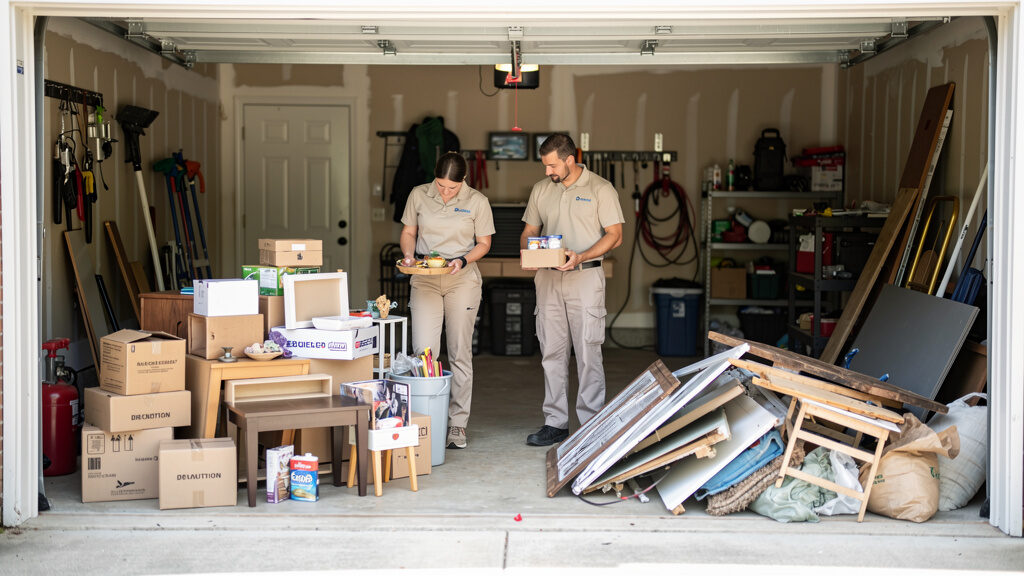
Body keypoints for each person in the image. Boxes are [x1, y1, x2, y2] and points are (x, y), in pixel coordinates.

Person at [521, 133, 624, 447]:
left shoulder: (600, 189)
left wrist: (581, 255)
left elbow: (615, 235)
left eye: (552, 165)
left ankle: (591, 424)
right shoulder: (541, 189)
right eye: (545, 166)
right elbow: (529, 230)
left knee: (587, 352)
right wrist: (529, 252)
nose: (548, 172)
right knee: (551, 352)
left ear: (569, 159)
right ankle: (555, 423)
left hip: (585, 277)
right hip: (549, 280)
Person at [400, 151, 494, 449]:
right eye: (440, 185)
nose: (444, 192)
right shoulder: (418, 194)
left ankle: (457, 425)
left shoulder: (477, 201)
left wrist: (463, 260)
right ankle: (424, 420)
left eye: (451, 188)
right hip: (425, 278)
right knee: (424, 351)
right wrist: (408, 255)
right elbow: (408, 231)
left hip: (462, 280)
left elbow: (484, 243)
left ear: (463, 181)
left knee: (459, 352)